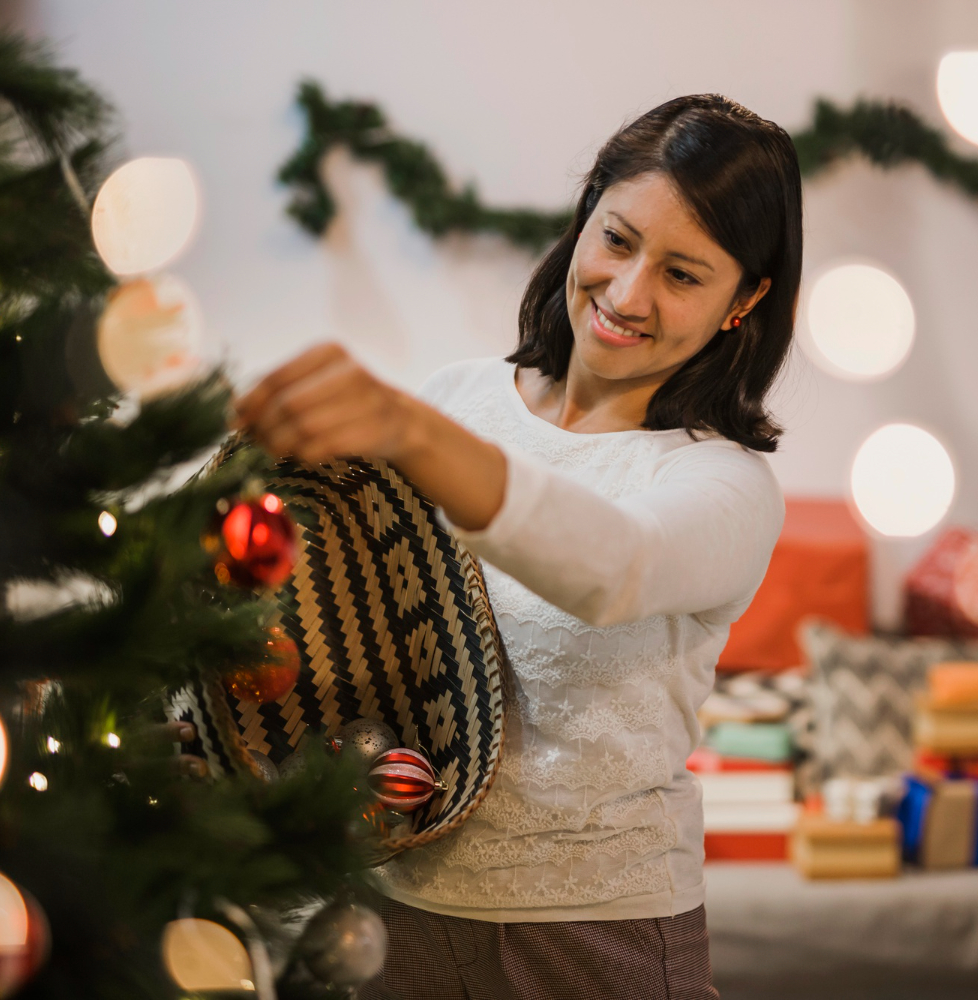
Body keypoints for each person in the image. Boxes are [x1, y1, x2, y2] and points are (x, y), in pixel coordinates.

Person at [235, 93, 803, 1000]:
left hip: (597, 941)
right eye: (617, 240)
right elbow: (363, 635)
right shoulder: (459, 399)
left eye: (683, 275)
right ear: (586, 217)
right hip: (398, 913)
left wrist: (405, 431)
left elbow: (616, 567)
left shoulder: (725, 485)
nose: (627, 295)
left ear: (748, 300)